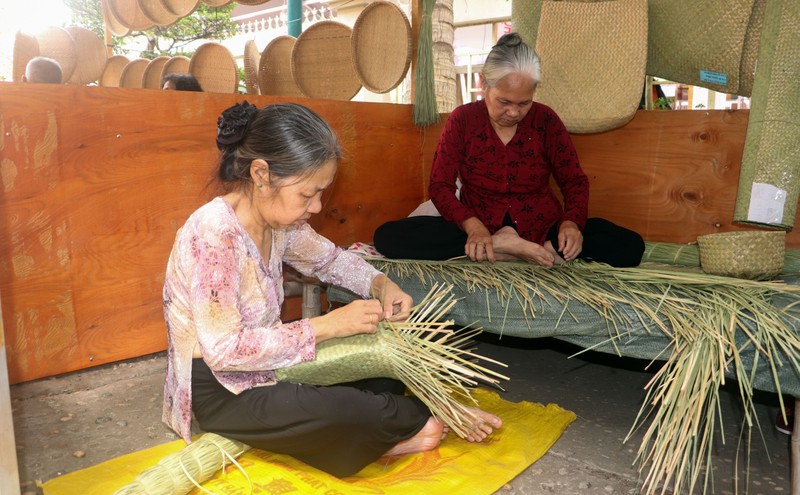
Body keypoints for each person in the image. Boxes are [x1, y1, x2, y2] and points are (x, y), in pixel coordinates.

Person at [162, 101, 502, 477]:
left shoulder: (279, 222)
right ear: (261, 175)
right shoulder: (214, 235)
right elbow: (225, 352)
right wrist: (329, 326)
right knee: (344, 405)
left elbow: (330, 261)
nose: (317, 206)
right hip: (223, 388)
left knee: (381, 370)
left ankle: (385, 430)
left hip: (271, 364)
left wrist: (381, 284)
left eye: (321, 192)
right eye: (308, 194)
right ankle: (416, 421)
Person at [374, 33, 644, 268]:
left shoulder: (546, 120)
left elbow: (574, 181)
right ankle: (499, 246)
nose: (513, 112)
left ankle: (512, 248)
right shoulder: (463, 120)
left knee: (630, 246)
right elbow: (440, 186)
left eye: (524, 103)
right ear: (484, 84)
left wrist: (571, 224)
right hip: (478, 225)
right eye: (503, 101)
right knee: (388, 237)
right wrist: (473, 226)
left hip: (540, 229)